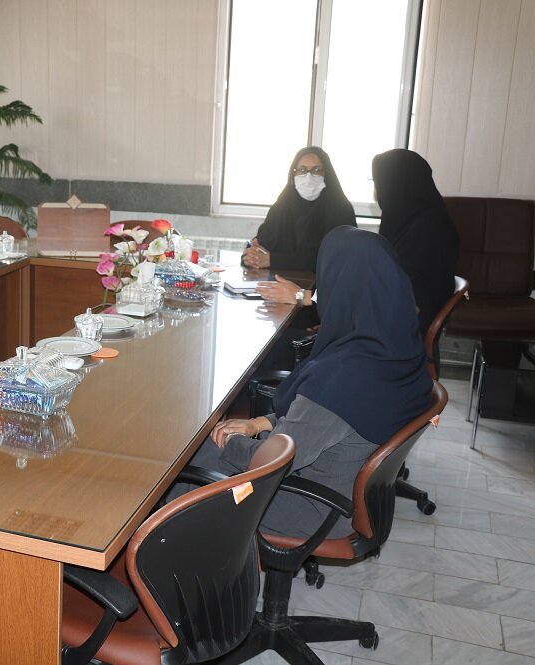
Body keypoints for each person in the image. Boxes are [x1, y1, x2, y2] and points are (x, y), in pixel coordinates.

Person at [184, 227, 432, 538]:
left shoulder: (345, 377)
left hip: (305, 504)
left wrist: (226, 441)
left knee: (176, 464)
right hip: (335, 485)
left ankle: (175, 568)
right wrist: (259, 422)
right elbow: (323, 422)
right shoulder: (397, 346)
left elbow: (272, 462)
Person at [372, 149, 459, 335]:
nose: (376, 193)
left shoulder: (427, 229)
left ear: (396, 184)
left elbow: (404, 291)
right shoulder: (413, 218)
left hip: (410, 321)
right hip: (404, 311)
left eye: (379, 183)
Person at [242, 146, 356, 272]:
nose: (308, 177)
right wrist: (252, 255)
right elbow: (262, 243)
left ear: (326, 173)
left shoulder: (341, 210)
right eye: (302, 170)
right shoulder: (282, 207)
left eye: (316, 170)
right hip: (278, 284)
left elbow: (335, 259)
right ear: (293, 174)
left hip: (322, 288)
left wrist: (273, 260)